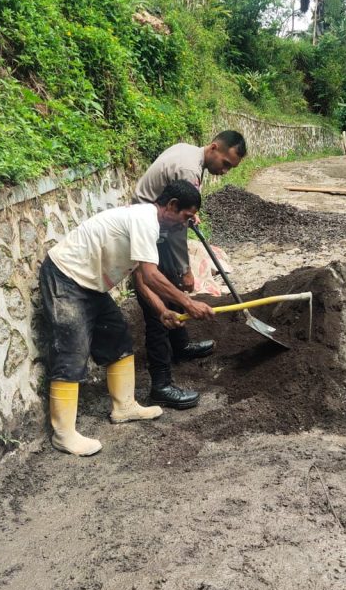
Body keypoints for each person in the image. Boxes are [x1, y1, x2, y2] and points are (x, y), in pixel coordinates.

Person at [41, 181, 215, 457]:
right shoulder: (145, 219)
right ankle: (63, 434)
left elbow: (139, 276)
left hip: (90, 283)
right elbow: (150, 274)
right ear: (171, 206)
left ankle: (124, 407)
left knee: (118, 337)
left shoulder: (150, 226)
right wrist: (188, 303)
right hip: (66, 276)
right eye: (185, 216)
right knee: (72, 349)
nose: (186, 223)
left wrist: (161, 310)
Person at [133, 130, 247, 409]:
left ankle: (180, 346)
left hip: (156, 221)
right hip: (151, 229)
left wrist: (188, 212)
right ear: (214, 148)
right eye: (226, 164)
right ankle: (160, 385)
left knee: (167, 290)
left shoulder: (189, 153)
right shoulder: (188, 171)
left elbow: (179, 210)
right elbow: (177, 227)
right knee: (158, 301)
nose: (225, 171)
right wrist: (185, 269)